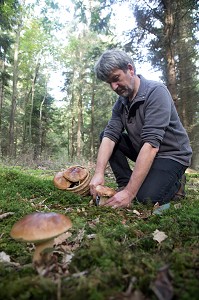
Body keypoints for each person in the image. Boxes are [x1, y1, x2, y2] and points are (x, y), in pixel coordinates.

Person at [89, 49, 192, 208]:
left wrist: (131, 193)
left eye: (116, 79)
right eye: (109, 83)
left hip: (171, 155)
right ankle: (125, 183)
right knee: (105, 135)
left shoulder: (156, 92)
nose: (114, 87)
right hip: (143, 150)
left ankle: (176, 183)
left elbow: (151, 145)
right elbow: (110, 136)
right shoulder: (121, 103)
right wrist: (98, 173)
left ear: (130, 69)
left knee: (145, 199)